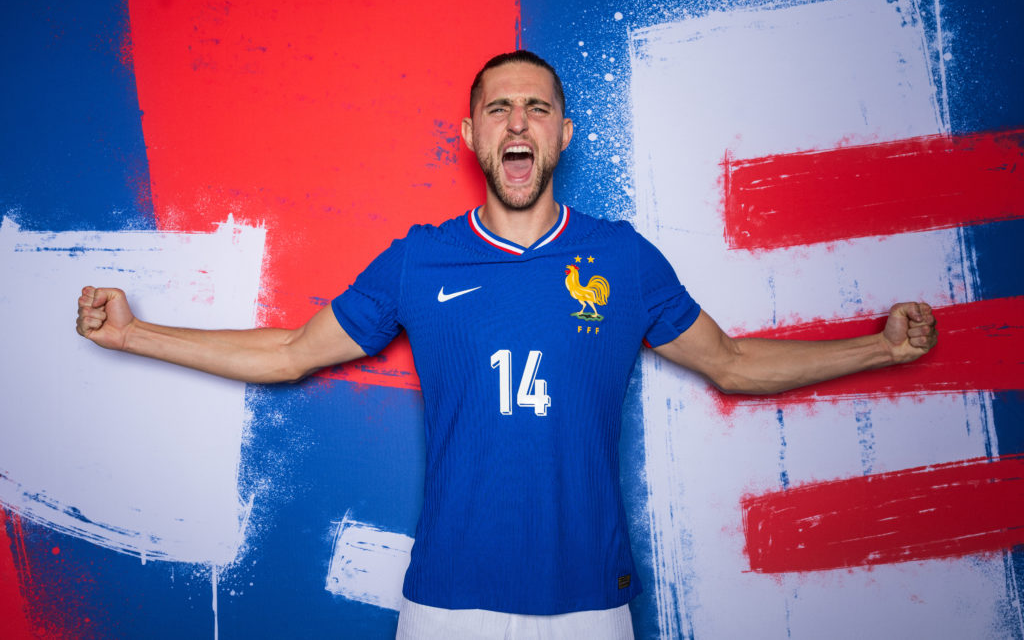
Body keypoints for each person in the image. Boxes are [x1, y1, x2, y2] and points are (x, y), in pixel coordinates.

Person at [76, 50, 937, 639]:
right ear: (473, 136)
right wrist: (133, 331)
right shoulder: (419, 258)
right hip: (448, 606)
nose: (517, 120)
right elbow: (292, 351)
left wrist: (878, 349)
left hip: (590, 606)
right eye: (498, 108)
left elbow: (735, 362)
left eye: (536, 106)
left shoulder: (623, 256)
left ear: (563, 133)